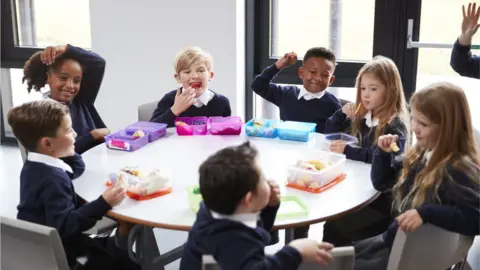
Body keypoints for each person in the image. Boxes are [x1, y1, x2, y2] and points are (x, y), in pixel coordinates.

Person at [354, 82, 480, 270]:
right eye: (413, 119)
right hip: (392, 244)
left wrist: (426, 214)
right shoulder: (421, 155)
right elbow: (382, 183)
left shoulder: (457, 169)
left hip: (404, 257)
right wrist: (382, 154)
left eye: (423, 124)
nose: (414, 128)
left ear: (448, 128)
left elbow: (475, 218)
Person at [8, 100, 139, 270]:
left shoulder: (34, 166)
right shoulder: (53, 179)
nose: (76, 134)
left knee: (120, 245)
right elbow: (66, 226)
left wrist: (68, 151)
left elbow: (76, 168)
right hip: (66, 255)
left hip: (40, 250)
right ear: (47, 143)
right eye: (69, 130)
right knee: (132, 264)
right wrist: (103, 202)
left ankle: (121, 242)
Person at [180, 141, 334, 270]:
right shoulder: (234, 239)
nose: (268, 181)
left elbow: (255, 233)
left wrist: (269, 207)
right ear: (248, 199)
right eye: (262, 178)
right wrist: (296, 251)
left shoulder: (213, 209)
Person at [23, 44, 110, 154]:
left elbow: (98, 63)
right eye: (63, 78)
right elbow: (62, 153)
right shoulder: (44, 114)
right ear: (47, 78)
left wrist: (67, 49)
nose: (70, 85)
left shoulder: (81, 98)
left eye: (76, 81)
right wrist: (93, 136)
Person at [251, 47, 341, 134]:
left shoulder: (333, 105)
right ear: (301, 73)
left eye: (325, 75)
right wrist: (277, 66)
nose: (318, 78)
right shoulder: (286, 94)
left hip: (315, 149)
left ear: (331, 80)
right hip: (285, 147)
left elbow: (335, 136)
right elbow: (258, 86)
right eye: (313, 72)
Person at [150, 46, 231, 126]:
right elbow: (151, 128)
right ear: (178, 78)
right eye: (187, 72)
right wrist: (175, 110)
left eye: (200, 70)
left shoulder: (222, 103)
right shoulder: (170, 99)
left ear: (210, 75)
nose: (195, 76)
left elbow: (227, 134)